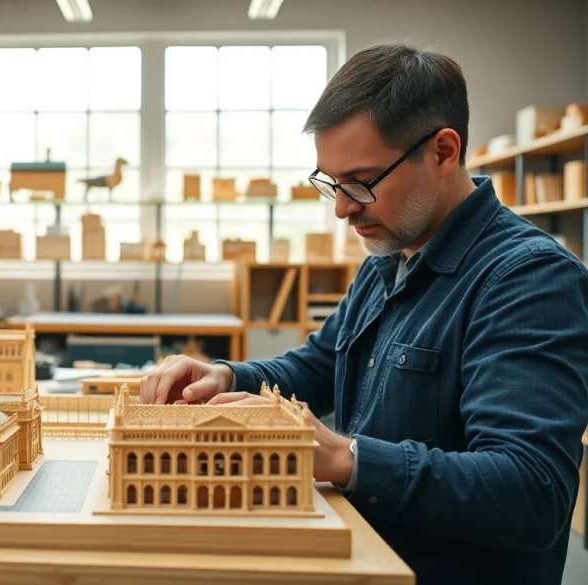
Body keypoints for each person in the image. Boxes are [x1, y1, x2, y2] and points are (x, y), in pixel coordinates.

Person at [139, 42, 588, 585]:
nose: (342, 208)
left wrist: (348, 457)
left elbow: (532, 490)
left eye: (362, 182)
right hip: (362, 558)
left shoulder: (528, 278)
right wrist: (228, 376)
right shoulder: (391, 253)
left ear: (443, 151)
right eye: (331, 182)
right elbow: (321, 364)